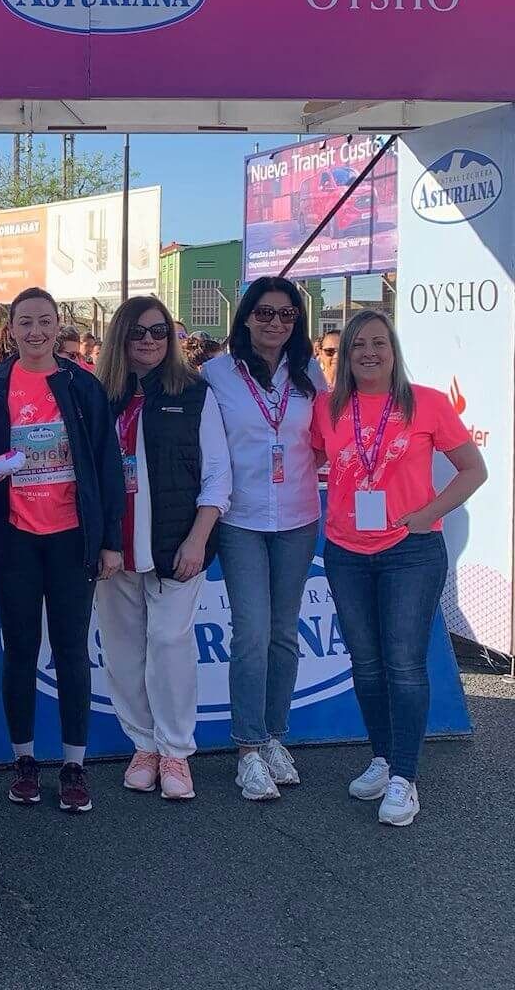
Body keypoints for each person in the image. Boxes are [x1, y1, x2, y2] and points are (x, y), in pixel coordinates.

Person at [312, 310, 485, 827]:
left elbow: (474, 469)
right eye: (358, 344)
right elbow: (307, 457)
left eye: (379, 343)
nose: (368, 351)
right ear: (344, 356)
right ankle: (383, 760)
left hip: (410, 551)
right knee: (366, 664)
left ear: (394, 350)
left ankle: (405, 778)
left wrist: (428, 514)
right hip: (346, 551)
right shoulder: (328, 407)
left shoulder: (426, 402)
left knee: (404, 665)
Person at [0, 289, 126, 812]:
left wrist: (109, 541)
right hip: (13, 537)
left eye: (45, 321)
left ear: (59, 326)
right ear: (9, 329)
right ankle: (25, 759)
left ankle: (74, 765)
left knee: (73, 650)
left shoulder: (82, 384)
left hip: (70, 536)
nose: (35, 331)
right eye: (25, 322)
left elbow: (105, 465)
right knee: (21, 650)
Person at [96, 298, 231, 800]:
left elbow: (217, 473)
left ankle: (175, 752)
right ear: (120, 338)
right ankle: (144, 745)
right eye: (137, 332)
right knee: (123, 650)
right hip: (115, 549)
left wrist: (198, 537)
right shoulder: (99, 395)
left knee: (170, 646)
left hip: (178, 544)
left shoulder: (194, 392)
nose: (148, 341)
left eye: (157, 331)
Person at [201, 277, 326, 801]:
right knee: (250, 632)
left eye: (287, 315)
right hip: (241, 519)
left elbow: (323, 443)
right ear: (246, 317)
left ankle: (275, 736)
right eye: (265, 313)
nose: (275, 323)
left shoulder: (310, 375)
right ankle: (248, 749)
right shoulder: (215, 375)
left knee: (283, 633)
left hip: (298, 517)